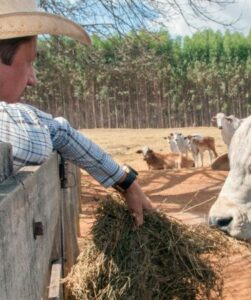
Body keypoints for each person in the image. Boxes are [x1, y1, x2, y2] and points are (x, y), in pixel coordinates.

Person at [0, 0, 152, 225]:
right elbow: (48, 133)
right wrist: (125, 181)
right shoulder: (15, 129)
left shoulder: (17, 123)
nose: (33, 79)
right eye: (28, 62)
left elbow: (58, 131)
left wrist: (125, 181)